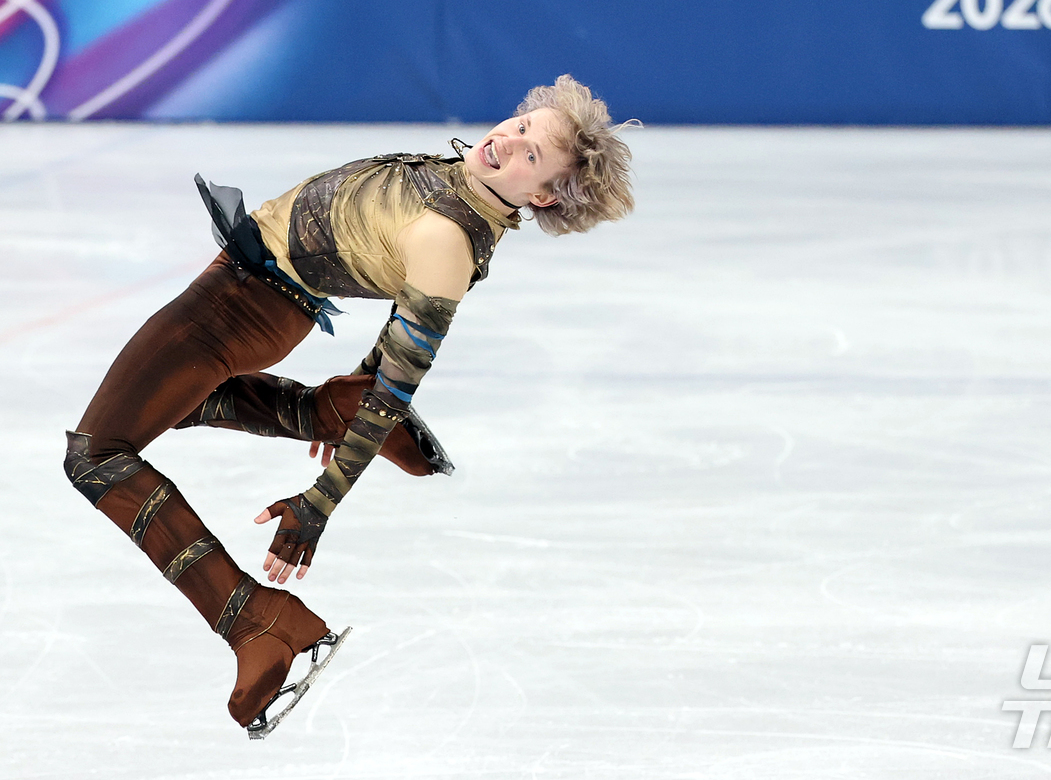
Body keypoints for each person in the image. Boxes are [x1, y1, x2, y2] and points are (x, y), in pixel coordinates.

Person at [61, 75, 636, 737]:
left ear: (540, 195)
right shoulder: (470, 186)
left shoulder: (449, 241)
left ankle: (256, 620)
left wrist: (319, 502)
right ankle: (323, 412)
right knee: (173, 403)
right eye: (521, 123)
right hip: (255, 288)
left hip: (242, 306)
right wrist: (354, 389)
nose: (510, 139)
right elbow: (392, 310)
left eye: (533, 153)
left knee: (96, 457)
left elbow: (397, 386)